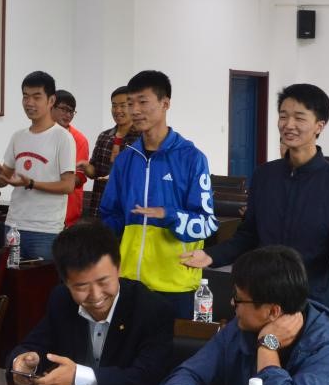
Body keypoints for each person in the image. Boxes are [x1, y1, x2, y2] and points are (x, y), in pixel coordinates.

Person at [180, 84, 329, 307]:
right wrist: (211, 255)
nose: (288, 124)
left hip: (310, 299)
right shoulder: (264, 175)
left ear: (319, 126)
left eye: (299, 118)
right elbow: (248, 235)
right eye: (283, 116)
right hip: (261, 294)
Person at [160, 245, 329, 385]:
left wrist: (267, 346)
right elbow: (185, 375)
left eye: (238, 299)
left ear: (273, 311)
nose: (232, 303)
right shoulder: (240, 328)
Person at [99, 70, 218, 319]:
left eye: (143, 102)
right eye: (130, 103)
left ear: (165, 104)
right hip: (129, 280)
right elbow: (110, 215)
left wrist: (168, 215)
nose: (135, 110)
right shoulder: (125, 160)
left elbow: (207, 224)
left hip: (176, 284)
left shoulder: (192, 158)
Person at [8, 220, 173, 385]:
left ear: (118, 268)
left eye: (103, 281)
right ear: (66, 282)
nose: (95, 295)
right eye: (81, 286)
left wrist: (79, 377)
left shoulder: (152, 309)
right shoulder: (62, 299)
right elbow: (33, 346)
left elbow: (146, 377)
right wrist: (23, 363)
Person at [0, 71, 77, 262]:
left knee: (39, 280)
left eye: (37, 97)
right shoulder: (18, 136)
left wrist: (31, 183)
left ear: (51, 100)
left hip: (45, 230)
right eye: (25, 97)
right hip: (13, 225)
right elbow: (4, 181)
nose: (29, 103)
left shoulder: (63, 137)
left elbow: (68, 185)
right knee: (11, 278)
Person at [81, 86, 136, 219]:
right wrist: (85, 165)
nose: (117, 110)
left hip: (127, 208)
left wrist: (117, 177)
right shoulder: (104, 136)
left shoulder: (141, 138)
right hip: (99, 205)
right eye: (114, 105)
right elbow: (94, 172)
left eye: (122, 105)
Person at [53, 89, 90, 228]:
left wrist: (42, 181)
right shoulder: (38, 135)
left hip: (67, 214)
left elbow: (78, 178)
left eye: (71, 111)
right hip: (39, 211)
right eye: (64, 109)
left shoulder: (79, 140)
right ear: (51, 106)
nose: (68, 115)